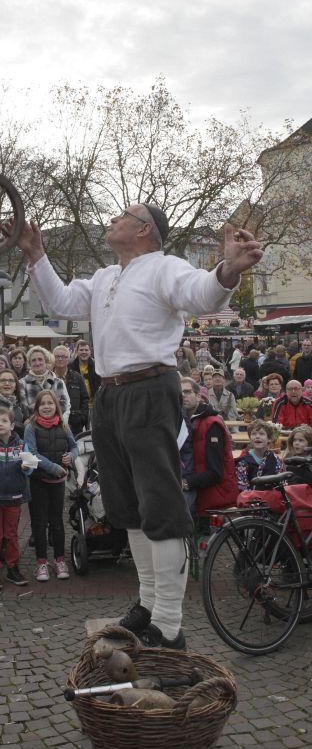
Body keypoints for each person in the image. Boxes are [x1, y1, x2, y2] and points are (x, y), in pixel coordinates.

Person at [17, 204, 261, 649]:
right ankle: (148, 605)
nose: (112, 219)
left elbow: (202, 294)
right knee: (126, 506)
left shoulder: (166, 267)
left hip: (150, 389)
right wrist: (36, 255)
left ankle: (168, 625)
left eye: (123, 215)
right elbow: (60, 302)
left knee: (160, 505)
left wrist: (228, 269)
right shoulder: (105, 277)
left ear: (145, 229)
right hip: (110, 395)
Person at [24, 390, 77, 581]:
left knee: (57, 522)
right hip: (38, 481)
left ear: (56, 406)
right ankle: (41, 562)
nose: (46, 407)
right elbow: (32, 453)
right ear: (37, 407)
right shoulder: (31, 427)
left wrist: (71, 456)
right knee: (39, 522)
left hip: (58, 482)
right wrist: (54, 468)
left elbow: (74, 446)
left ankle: (59, 560)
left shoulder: (64, 425)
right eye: (42, 404)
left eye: (50, 403)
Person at [0, 407, 32, 590]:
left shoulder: (22, 445)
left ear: (12, 425)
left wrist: (27, 467)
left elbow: (30, 468)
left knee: (11, 536)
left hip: (14, 498)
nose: (0, 424)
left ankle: (12, 568)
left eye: (4, 421)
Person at [181, 378, 238, 524]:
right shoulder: (184, 422)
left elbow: (215, 472)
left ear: (198, 396)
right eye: (180, 393)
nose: (183, 396)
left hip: (213, 495)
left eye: (187, 392)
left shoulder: (211, 424)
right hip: (198, 491)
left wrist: (186, 483)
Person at [19, 346, 70, 419]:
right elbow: (24, 410)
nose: (37, 363)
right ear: (29, 363)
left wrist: (35, 406)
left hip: (55, 423)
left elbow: (63, 405)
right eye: (33, 360)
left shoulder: (57, 382)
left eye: (40, 359)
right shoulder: (22, 383)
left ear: (45, 361)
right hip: (33, 424)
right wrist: (52, 405)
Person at [52, 345, 89, 435]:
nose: (60, 359)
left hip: (75, 425)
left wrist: (81, 418)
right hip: (52, 424)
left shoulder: (77, 377)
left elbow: (85, 399)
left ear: (68, 360)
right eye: (57, 356)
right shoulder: (49, 378)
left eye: (64, 357)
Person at [235, 420, 282, 492]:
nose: (257, 436)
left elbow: (281, 482)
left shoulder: (275, 459)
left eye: (262, 434)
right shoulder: (243, 461)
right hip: (251, 497)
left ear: (269, 439)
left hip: (272, 496)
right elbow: (242, 486)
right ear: (250, 438)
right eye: (253, 434)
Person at [0, 369, 29, 438]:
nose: (7, 383)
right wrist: (21, 426)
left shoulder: (21, 405)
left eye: (11, 380)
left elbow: (28, 427)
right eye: (3, 380)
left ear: (15, 386)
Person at [70, 340, 100, 410]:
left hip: (95, 405)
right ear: (77, 351)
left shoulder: (97, 367)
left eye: (86, 350)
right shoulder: (70, 367)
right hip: (77, 407)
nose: (84, 352)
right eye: (81, 350)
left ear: (90, 352)